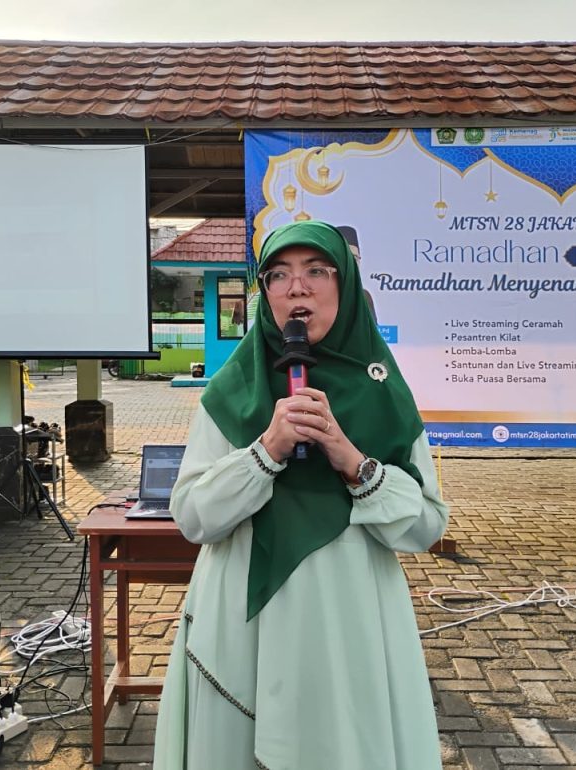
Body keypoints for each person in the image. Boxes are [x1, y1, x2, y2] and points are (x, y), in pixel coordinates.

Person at [154, 220, 448, 770]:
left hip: (349, 626)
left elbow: (426, 526)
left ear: (346, 285)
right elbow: (193, 517)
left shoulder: (385, 393)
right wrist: (266, 450)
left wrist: (351, 459)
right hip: (240, 626)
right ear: (264, 293)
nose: (297, 288)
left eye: (317, 270)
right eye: (278, 274)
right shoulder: (232, 390)